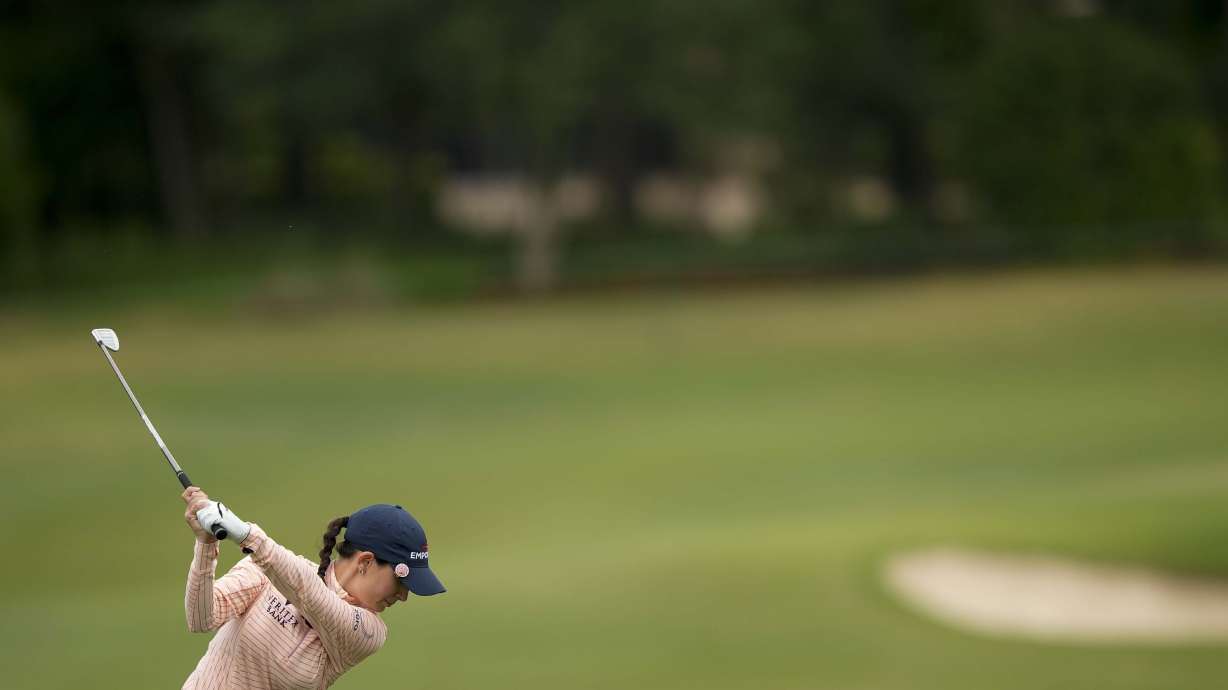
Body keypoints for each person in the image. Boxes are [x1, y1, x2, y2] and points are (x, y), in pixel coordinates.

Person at [179, 486, 445, 689]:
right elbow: (202, 619)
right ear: (365, 562)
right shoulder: (268, 572)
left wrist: (247, 534)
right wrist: (206, 543)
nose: (404, 595)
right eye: (401, 581)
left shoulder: (369, 632)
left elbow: (314, 598)